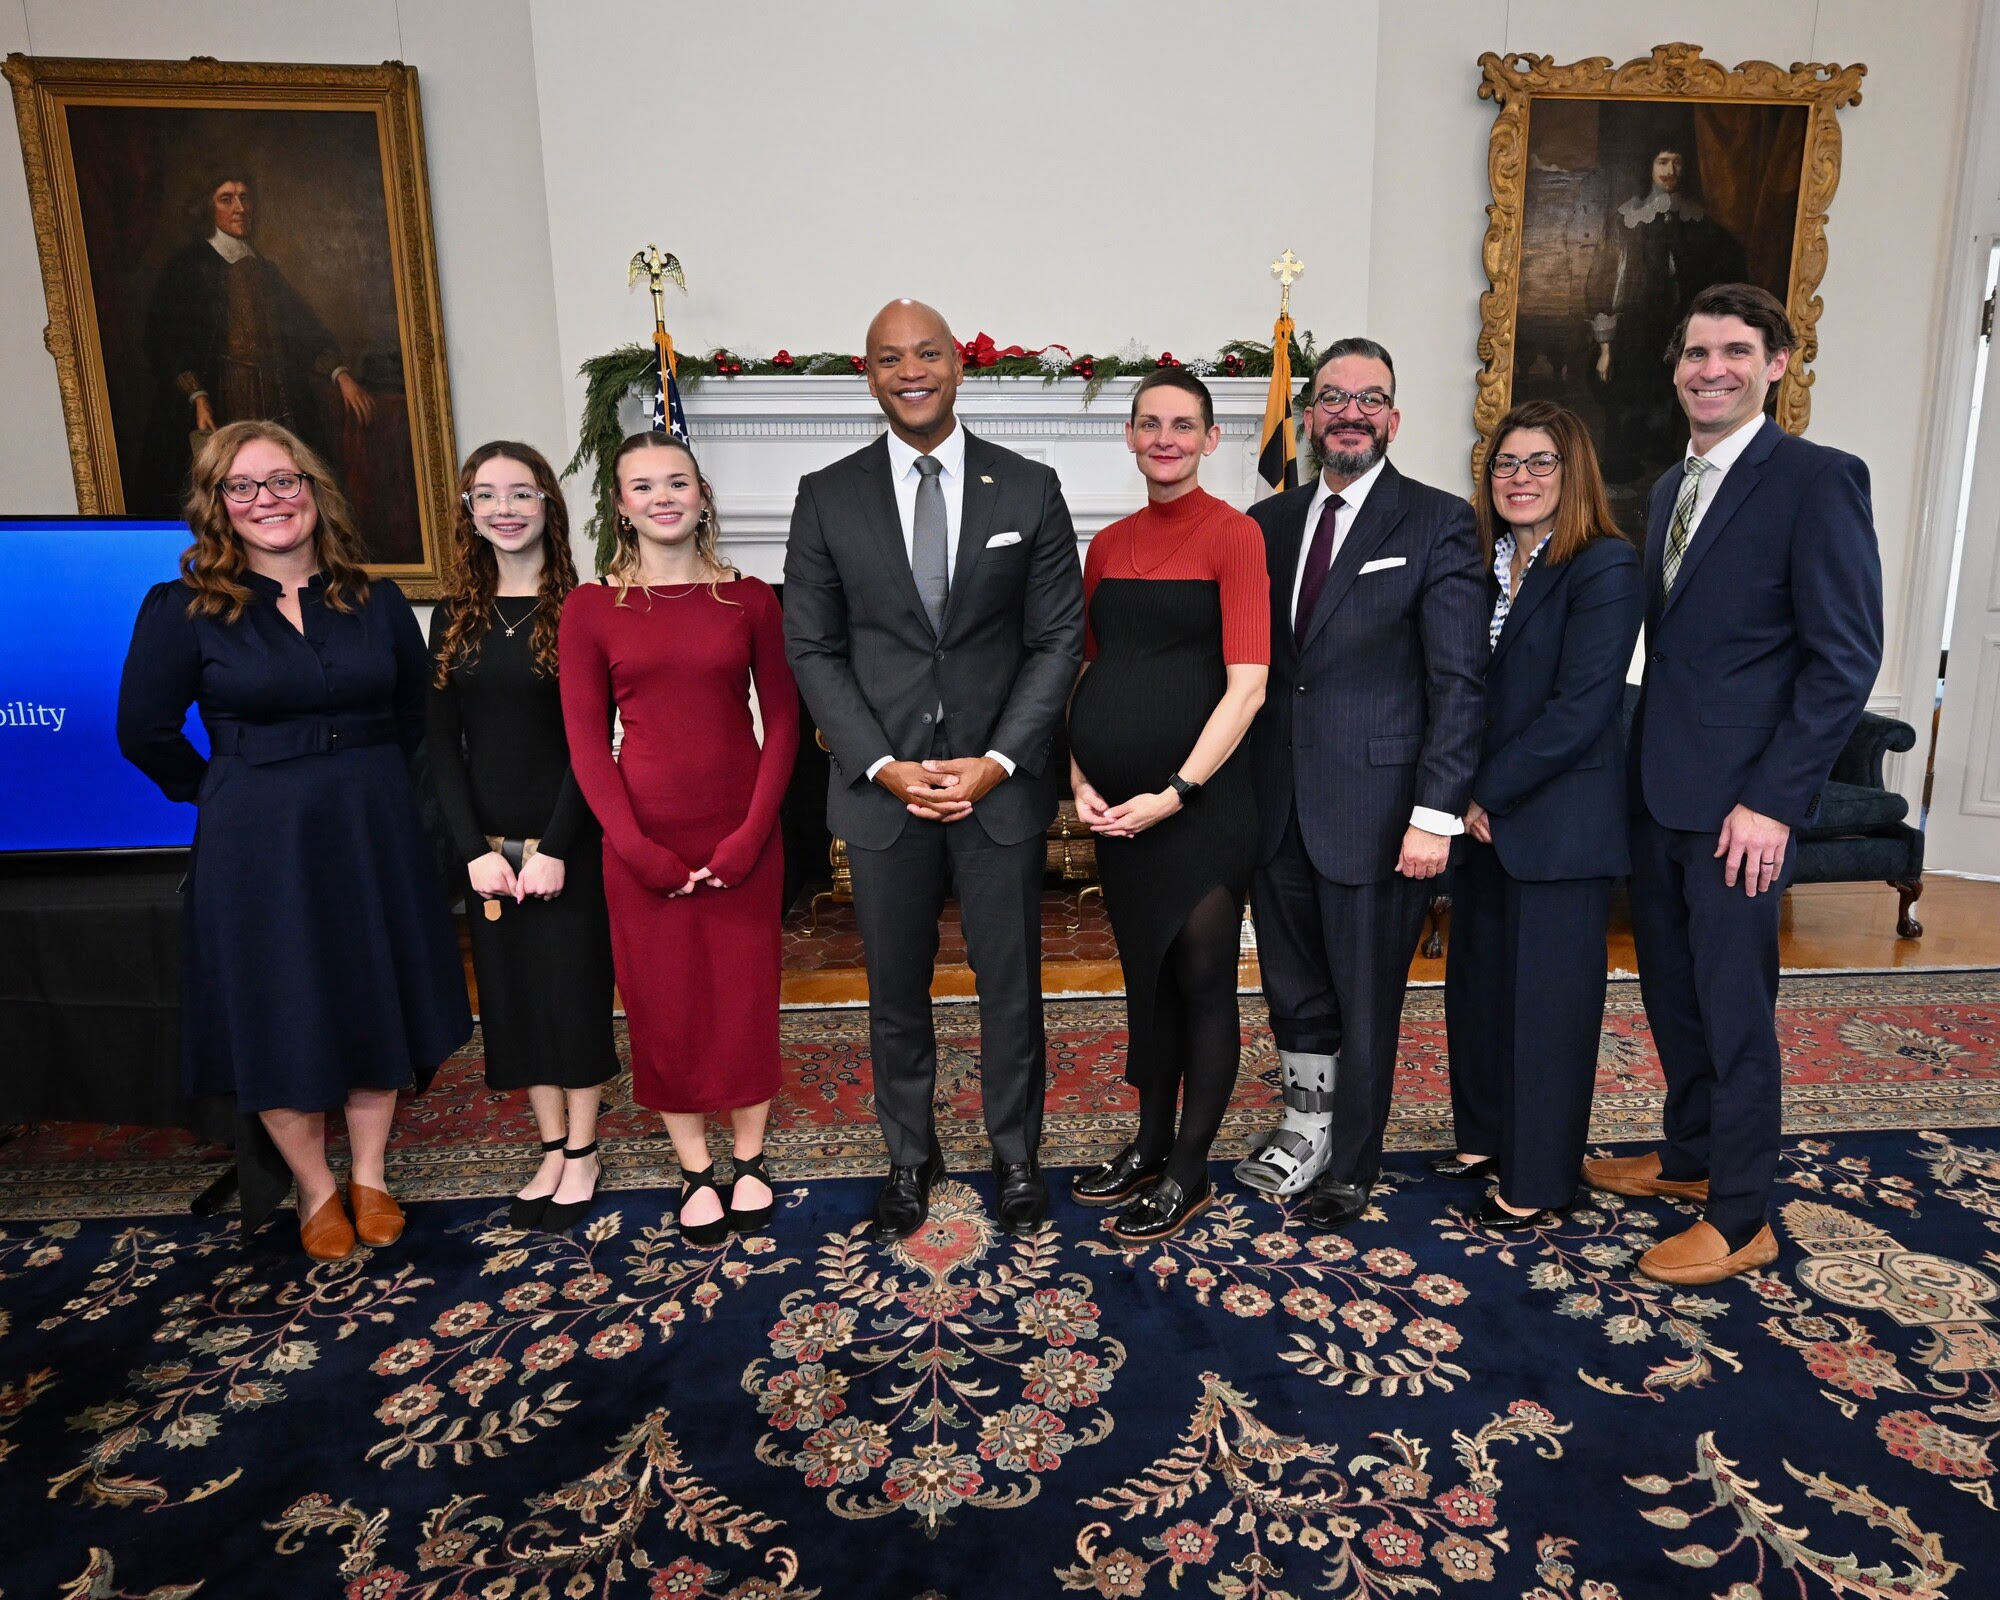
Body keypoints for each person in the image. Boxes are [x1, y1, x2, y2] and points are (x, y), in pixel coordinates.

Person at [1584, 283, 1882, 1284]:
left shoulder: (1816, 479)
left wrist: (1772, 801)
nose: (1709, 368)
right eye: (1693, 353)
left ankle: (1742, 1212)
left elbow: (1840, 660)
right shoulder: (1669, 487)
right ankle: (1690, 1156)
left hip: (1742, 811)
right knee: (1673, 995)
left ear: (1776, 365)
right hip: (1661, 793)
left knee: (1733, 1007)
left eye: (1732, 351)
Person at [117, 420, 471, 1261]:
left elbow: (420, 723)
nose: (268, 500)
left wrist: (419, 817)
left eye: (284, 482)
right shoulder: (186, 608)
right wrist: (219, 789)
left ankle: (372, 1175)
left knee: (370, 996)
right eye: (244, 487)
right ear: (219, 506)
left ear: (314, 492)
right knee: (281, 1008)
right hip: (259, 845)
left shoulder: (374, 599)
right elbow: (144, 731)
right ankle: (316, 1189)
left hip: (374, 831)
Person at [784, 299, 1086, 1243]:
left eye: (926, 353)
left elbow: (1056, 639)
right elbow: (813, 648)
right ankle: (910, 1159)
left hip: (998, 793)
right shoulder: (825, 493)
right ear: (866, 375)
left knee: (1011, 987)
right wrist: (880, 765)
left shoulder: (1027, 487)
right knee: (895, 994)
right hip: (884, 797)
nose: (909, 370)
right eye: (887, 358)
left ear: (959, 365)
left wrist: (998, 761)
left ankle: (1017, 1156)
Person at [1233, 337, 1486, 1229]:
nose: (1350, 413)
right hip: (1277, 805)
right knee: (1294, 986)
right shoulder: (1264, 525)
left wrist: (1435, 813)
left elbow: (1459, 681)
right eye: (1333, 398)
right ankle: (1304, 1124)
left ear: (1394, 418)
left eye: (1369, 398)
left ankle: (1354, 1160)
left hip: (1381, 814)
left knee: (1365, 994)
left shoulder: (1439, 521)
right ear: (1308, 417)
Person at [561, 432, 798, 1248]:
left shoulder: (753, 599)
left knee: (741, 998)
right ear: (621, 506)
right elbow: (587, 742)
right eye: (642, 486)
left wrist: (750, 838)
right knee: (665, 1006)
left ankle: (750, 1159)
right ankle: (694, 1167)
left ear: (702, 496)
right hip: (641, 839)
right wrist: (632, 845)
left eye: (677, 482)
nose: (662, 496)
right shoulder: (592, 607)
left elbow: (787, 725)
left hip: (742, 833)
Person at [1068, 369, 1268, 1240]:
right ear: (1130, 435)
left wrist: (1177, 792)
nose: (1165, 439)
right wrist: (1079, 778)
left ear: (1211, 438)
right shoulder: (1106, 545)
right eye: (1149, 423)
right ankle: (1149, 1143)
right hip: (1117, 810)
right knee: (1146, 980)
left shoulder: (1236, 537)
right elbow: (1087, 668)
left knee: (1200, 981)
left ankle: (1189, 1169)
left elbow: (1249, 686)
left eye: (1183, 424)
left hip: (1204, 807)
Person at [1436, 402, 1643, 1227]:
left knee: (1549, 1010)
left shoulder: (1603, 566)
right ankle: (1487, 1135)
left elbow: (1580, 708)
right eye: (1505, 464)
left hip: (1555, 823)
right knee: (1479, 988)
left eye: (1540, 463)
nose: (1519, 479)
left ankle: (1539, 1177)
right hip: (1482, 819)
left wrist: (1484, 791)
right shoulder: (1482, 564)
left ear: (1574, 471)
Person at [428, 441, 617, 1232]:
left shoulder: (584, 609)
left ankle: (583, 1149)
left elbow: (593, 742)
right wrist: (473, 849)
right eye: (485, 496)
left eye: (521, 493)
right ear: (468, 513)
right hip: (488, 852)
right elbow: (440, 746)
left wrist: (554, 850)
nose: (504, 509)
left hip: (566, 841)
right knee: (511, 1004)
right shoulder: (451, 614)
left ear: (549, 505)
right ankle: (548, 1143)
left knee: (570, 997)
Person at [138, 172, 375, 518]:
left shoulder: (265, 271)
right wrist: (198, 396)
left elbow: (304, 329)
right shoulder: (189, 268)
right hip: (221, 396)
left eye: (245, 198)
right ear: (208, 209)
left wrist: (340, 374)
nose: (240, 208)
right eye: (227, 199)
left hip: (275, 396)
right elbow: (167, 340)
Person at [1585, 144, 1746, 493]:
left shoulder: (1699, 222)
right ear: (1648, 167)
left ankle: (1666, 485)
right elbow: (1604, 280)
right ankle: (1622, 482)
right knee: (1627, 405)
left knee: (1669, 411)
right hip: (1634, 337)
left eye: (1677, 162)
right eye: (1662, 162)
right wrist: (1606, 347)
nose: (1670, 170)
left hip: (1682, 337)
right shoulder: (1627, 219)